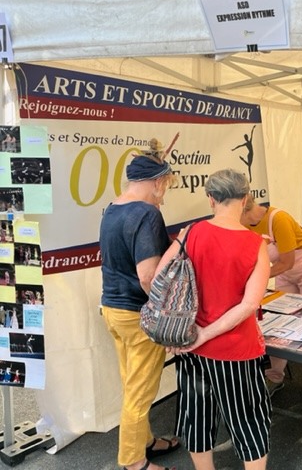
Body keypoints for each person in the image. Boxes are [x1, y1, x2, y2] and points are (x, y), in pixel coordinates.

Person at [161, 169, 271, 470]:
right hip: (235, 348)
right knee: (247, 418)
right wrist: (207, 334)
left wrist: (184, 331)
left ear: (211, 199)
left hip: (190, 343)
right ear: (245, 198)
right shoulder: (255, 244)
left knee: (197, 414)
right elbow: (249, 305)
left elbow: (159, 277)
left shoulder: (191, 233)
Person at [99, 153, 181, 470]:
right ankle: (134, 463)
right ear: (158, 182)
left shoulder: (112, 208)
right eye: (166, 186)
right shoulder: (147, 214)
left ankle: (144, 442)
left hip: (113, 309)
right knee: (140, 392)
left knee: (131, 385)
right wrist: (165, 314)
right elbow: (148, 276)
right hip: (138, 314)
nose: (165, 194)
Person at [241, 194, 302, 403]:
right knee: (278, 320)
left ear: (244, 209)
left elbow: (287, 262)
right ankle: (275, 376)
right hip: (284, 272)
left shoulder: (278, 219)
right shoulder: (245, 225)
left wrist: (256, 277)